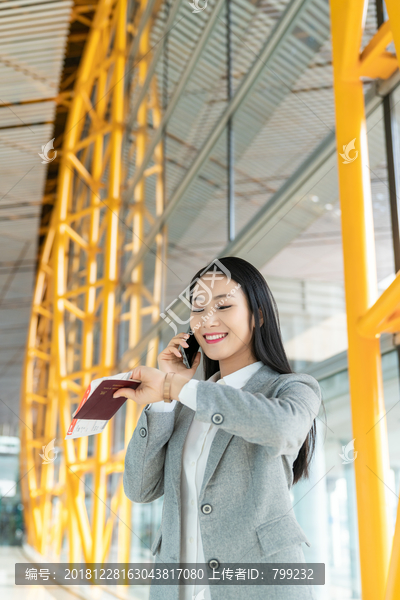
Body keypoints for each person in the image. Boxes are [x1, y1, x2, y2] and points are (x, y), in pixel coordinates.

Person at [116, 256, 324, 600]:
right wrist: (164, 400)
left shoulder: (293, 388)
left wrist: (178, 388)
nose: (207, 319)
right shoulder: (185, 403)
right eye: (198, 309)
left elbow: (282, 429)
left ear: (257, 316)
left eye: (223, 305)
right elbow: (139, 488)